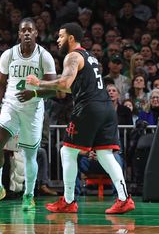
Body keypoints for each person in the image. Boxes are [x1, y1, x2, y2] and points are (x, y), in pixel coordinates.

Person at [27, 22, 135, 214]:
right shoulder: (90, 57)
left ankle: (68, 201)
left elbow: (65, 81)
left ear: (70, 38)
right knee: (105, 154)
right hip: (106, 108)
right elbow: (70, 87)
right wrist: (43, 89)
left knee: (67, 152)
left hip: (89, 108)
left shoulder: (72, 56)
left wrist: (38, 82)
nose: (57, 40)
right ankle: (124, 198)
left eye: (60, 36)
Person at [0, 18, 57, 211]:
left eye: (30, 30)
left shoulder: (44, 56)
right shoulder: (9, 54)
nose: (26, 33)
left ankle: (29, 195)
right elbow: (1, 82)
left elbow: (53, 89)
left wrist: (33, 93)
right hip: (11, 105)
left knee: (29, 155)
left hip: (32, 109)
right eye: (23, 30)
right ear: (19, 34)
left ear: (36, 33)